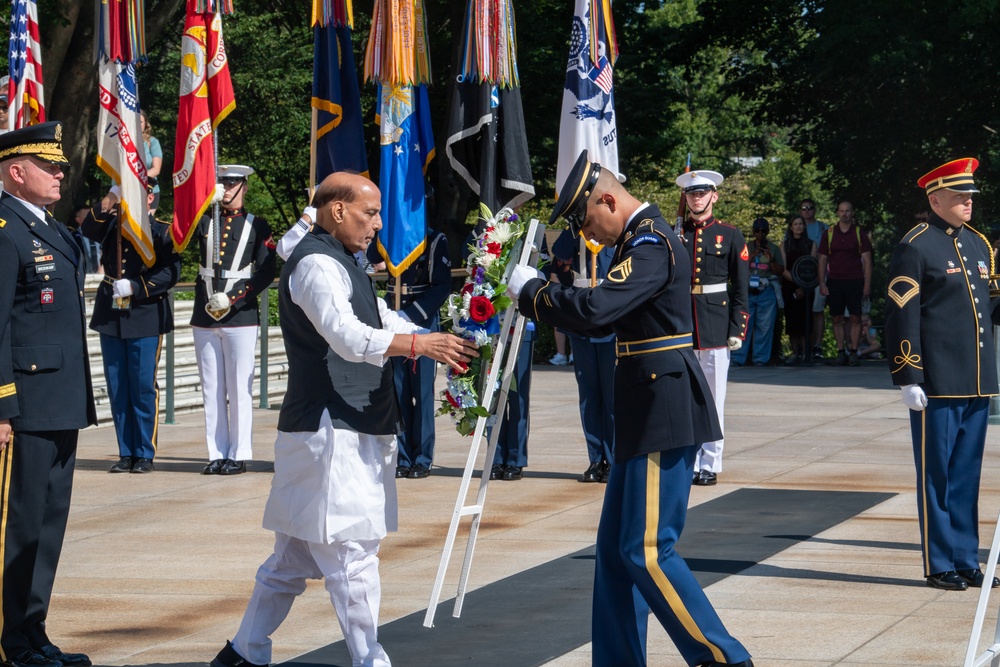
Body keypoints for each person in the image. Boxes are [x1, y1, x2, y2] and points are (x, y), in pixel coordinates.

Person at [209, 172, 477, 667]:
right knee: (352, 557)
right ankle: (370, 660)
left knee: (291, 561)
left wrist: (445, 338)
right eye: (369, 213)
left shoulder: (339, 261)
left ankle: (245, 653)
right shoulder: (315, 264)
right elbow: (347, 337)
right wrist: (421, 345)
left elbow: (378, 318)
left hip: (340, 428)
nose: (377, 223)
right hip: (330, 433)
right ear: (336, 211)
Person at [507, 152, 753, 667]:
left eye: (586, 219)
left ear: (609, 199)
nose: (587, 234)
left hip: (661, 412)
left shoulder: (652, 244)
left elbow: (597, 313)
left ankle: (725, 658)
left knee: (646, 551)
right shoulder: (639, 243)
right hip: (643, 408)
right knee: (617, 555)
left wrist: (534, 293)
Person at [0, 121, 97, 667]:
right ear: (17, 172)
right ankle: (10, 640)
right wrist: (1, 407)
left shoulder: (50, 229)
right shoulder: (5, 229)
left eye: (60, 165)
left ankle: (33, 634)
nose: (61, 173)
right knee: (19, 527)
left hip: (60, 398)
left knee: (48, 525)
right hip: (24, 404)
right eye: (49, 166)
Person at [885, 157, 1000, 592]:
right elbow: (901, 315)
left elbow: (989, 308)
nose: (968, 202)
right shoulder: (916, 246)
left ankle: (967, 558)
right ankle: (939, 562)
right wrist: (907, 375)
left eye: (970, 196)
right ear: (936, 200)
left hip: (976, 380)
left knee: (967, 475)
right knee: (937, 475)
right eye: (959, 196)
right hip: (937, 381)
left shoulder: (978, 244)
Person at [81, 178, 180, 473]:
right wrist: (112, 196)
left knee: (142, 386)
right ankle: (125, 451)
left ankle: (144, 453)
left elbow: (171, 272)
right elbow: (87, 228)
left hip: (145, 313)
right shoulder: (113, 224)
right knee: (118, 386)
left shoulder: (162, 230)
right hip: (112, 313)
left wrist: (137, 286)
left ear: (150, 198)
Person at [191, 164, 277, 475]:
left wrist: (235, 296)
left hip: (240, 314)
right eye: (222, 183)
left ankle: (238, 453)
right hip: (204, 313)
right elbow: (179, 226)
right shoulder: (204, 221)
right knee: (211, 388)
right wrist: (203, 200)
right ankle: (216, 452)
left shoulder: (258, 225)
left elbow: (268, 269)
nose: (226, 189)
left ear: (244, 187)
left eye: (232, 183)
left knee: (239, 386)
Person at [676, 169, 749, 486]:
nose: (697, 198)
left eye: (703, 193)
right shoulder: (676, 234)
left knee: (714, 399)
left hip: (716, 327)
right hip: (682, 326)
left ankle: (710, 463)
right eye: (692, 194)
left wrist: (737, 329)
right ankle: (688, 461)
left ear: (714, 196)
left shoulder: (730, 235)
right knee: (685, 399)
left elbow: (741, 290)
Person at [380, 228, 451, 479]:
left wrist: (410, 316)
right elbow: (369, 257)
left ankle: (422, 457)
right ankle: (402, 456)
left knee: (421, 394)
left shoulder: (434, 239)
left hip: (421, 320)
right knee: (398, 392)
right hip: (393, 315)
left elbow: (442, 285)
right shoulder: (390, 235)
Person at [551, 228, 615, 482]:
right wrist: (574, 221)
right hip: (581, 318)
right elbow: (559, 254)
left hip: (610, 319)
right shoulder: (576, 231)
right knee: (589, 395)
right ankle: (595, 459)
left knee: (612, 396)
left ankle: (613, 458)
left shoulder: (615, 228)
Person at [818, 201, 872, 366]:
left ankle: (854, 352)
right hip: (835, 280)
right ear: (837, 213)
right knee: (836, 318)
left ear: (852, 213)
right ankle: (840, 352)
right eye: (841, 211)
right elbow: (822, 259)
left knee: (856, 317)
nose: (844, 214)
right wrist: (822, 282)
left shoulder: (859, 233)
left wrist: (867, 284)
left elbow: (868, 261)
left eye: (848, 211)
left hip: (855, 280)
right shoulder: (829, 233)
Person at [732, 217, 782, 367]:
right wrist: (752, 256)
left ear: (767, 232)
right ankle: (738, 358)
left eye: (763, 230)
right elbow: (737, 267)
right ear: (753, 232)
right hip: (748, 289)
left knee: (764, 327)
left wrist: (770, 259)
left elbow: (780, 271)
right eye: (757, 230)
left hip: (766, 290)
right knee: (744, 325)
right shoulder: (746, 247)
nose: (760, 234)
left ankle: (760, 359)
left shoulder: (773, 248)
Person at [779, 214, 817, 364]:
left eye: (801, 224)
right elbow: (782, 268)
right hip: (789, 287)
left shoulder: (811, 244)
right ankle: (795, 353)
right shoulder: (784, 245)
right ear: (790, 227)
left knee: (806, 321)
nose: (799, 226)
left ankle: (807, 353)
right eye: (795, 224)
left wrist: (803, 286)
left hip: (808, 288)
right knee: (792, 321)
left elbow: (813, 266)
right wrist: (797, 282)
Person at [798, 199, 828, 358]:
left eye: (810, 208)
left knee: (817, 310)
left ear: (815, 210)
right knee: (802, 311)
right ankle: (803, 348)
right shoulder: (796, 227)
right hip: (799, 276)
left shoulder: (824, 228)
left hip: (819, 276)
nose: (807, 211)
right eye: (804, 209)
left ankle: (817, 345)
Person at [140, 111, 162, 217]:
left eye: (140, 122)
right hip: (125, 190)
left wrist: (137, 180)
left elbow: (156, 169)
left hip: (149, 191)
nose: (138, 125)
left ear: (145, 124)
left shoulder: (152, 142)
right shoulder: (121, 142)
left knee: (145, 225)